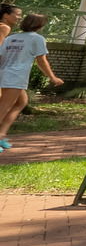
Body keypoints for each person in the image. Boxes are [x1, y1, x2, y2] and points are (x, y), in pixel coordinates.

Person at [0, 14, 63, 151]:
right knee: (3, 107)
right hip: (16, 77)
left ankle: (2, 134)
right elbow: (41, 61)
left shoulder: (11, 38)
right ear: (39, 26)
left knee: (21, 103)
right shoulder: (37, 39)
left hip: (5, 74)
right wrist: (53, 78)